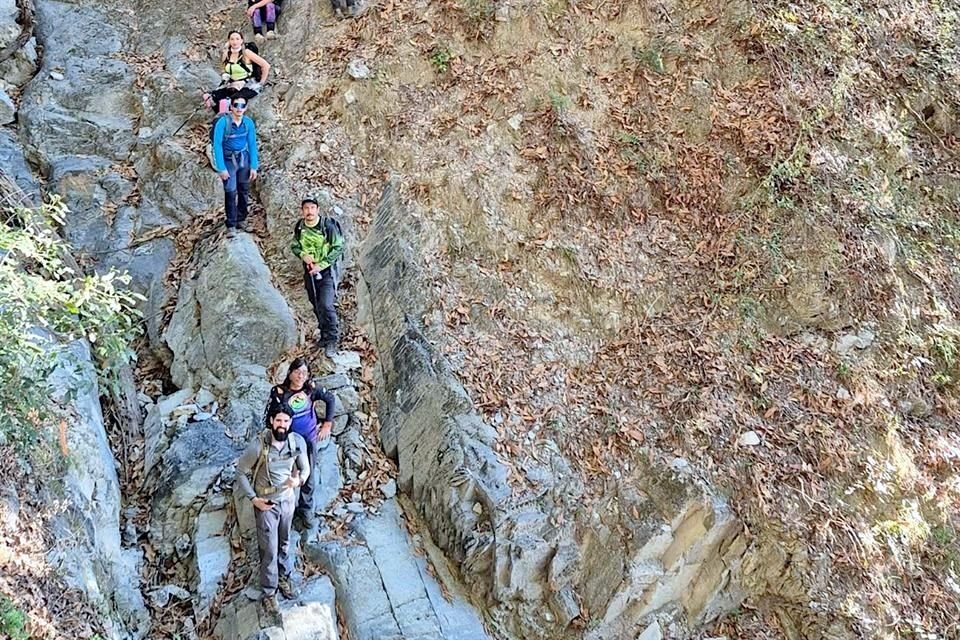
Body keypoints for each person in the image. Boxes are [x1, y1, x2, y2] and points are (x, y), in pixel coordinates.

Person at [236, 403, 310, 613]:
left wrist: (299, 481)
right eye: (278, 420)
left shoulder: (296, 442)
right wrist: (253, 499)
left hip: (287, 500)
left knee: (285, 542)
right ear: (271, 421)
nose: (282, 425)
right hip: (266, 503)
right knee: (269, 547)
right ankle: (269, 591)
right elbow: (241, 472)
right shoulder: (258, 446)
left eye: (286, 421)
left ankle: (284, 577)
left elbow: (305, 468)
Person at [267, 357, 335, 535]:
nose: (300, 376)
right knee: (283, 473)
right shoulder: (279, 392)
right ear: (290, 373)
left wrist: (327, 423)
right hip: (287, 439)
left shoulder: (310, 389)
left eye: (304, 373)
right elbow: (271, 417)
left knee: (308, 473)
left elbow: (330, 398)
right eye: (297, 372)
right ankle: (282, 508)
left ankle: (305, 509)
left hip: (309, 437)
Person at [290, 196, 344, 357]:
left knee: (326, 304)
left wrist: (322, 264)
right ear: (302, 211)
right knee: (316, 304)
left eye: (312, 208)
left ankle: (333, 339)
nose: (309, 211)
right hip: (309, 272)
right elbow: (295, 245)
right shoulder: (300, 227)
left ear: (317, 210)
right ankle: (324, 335)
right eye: (306, 208)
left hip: (326, 271)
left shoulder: (327, 226)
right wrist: (302, 255)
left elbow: (338, 247)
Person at [212, 97, 259, 238]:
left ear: (246, 107)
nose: (239, 108)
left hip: (243, 158)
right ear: (231, 107)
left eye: (242, 105)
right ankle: (231, 224)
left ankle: (241, 219)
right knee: (231, 191)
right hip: (228, 160)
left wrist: (254, 166)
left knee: (244, 190)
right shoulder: (223, 123)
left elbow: (252, 144)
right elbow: (217, 145)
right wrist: (221, 168)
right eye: (236, 105)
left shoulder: (248, 123)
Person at [203, 31, 271, 114]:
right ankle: (220, 117)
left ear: (242, 41)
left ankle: (229, 119)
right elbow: (224, 68)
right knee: (209, 97)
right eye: (232, 39)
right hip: (231, 84)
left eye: (237, 39)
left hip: (247, 84)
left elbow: (266, 65)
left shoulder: (246, 53)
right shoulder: (226, 54)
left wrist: (261, 83)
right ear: (229, 41)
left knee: (230, 101)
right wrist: (225, 74)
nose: (235, 42)